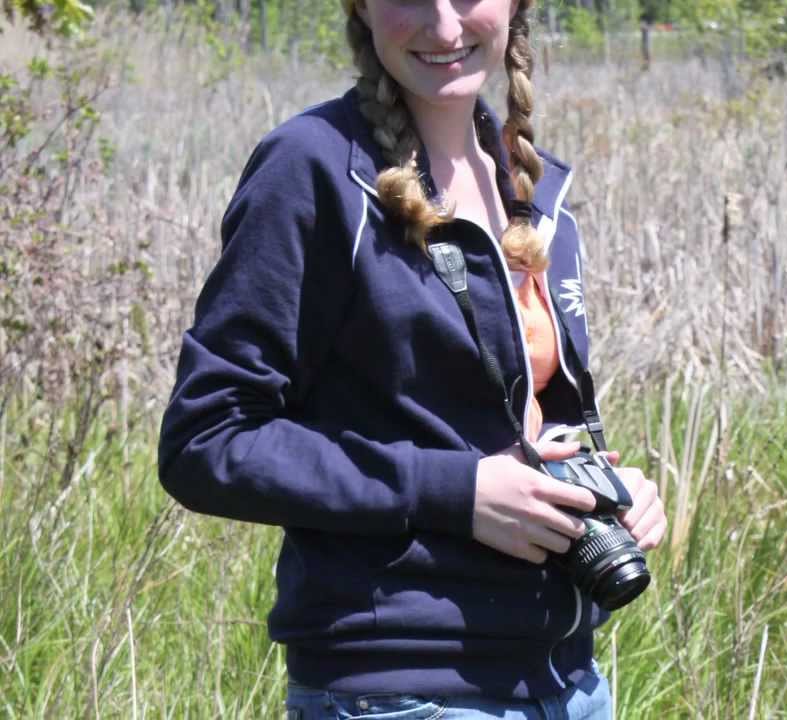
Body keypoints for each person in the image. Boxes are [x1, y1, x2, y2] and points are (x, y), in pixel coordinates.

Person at [156, 0, 667, 716]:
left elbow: (505, 428)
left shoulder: (531, 186)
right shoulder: (317, 170)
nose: (445, 27)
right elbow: (206, 441)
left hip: (569, 682)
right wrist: (453, 492)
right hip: (403, 688)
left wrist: (603, 492)